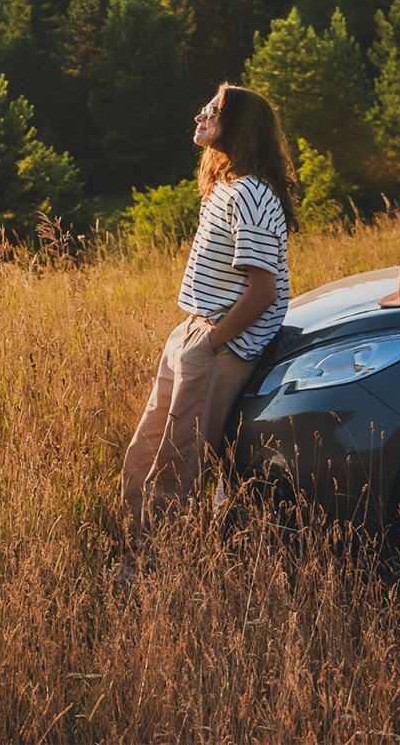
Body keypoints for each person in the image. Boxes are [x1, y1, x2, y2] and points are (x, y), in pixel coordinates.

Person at [120, 84, 299, 542]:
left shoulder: (253, 195)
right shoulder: (225, 187)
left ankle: (155, 570)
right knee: (143, 452)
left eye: (213, 110)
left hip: (219, 345)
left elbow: (263, 291)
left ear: (237, 125)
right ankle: (132, 547)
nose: (200, 114)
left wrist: (214, 341)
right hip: (193, 331)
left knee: (175, 468)